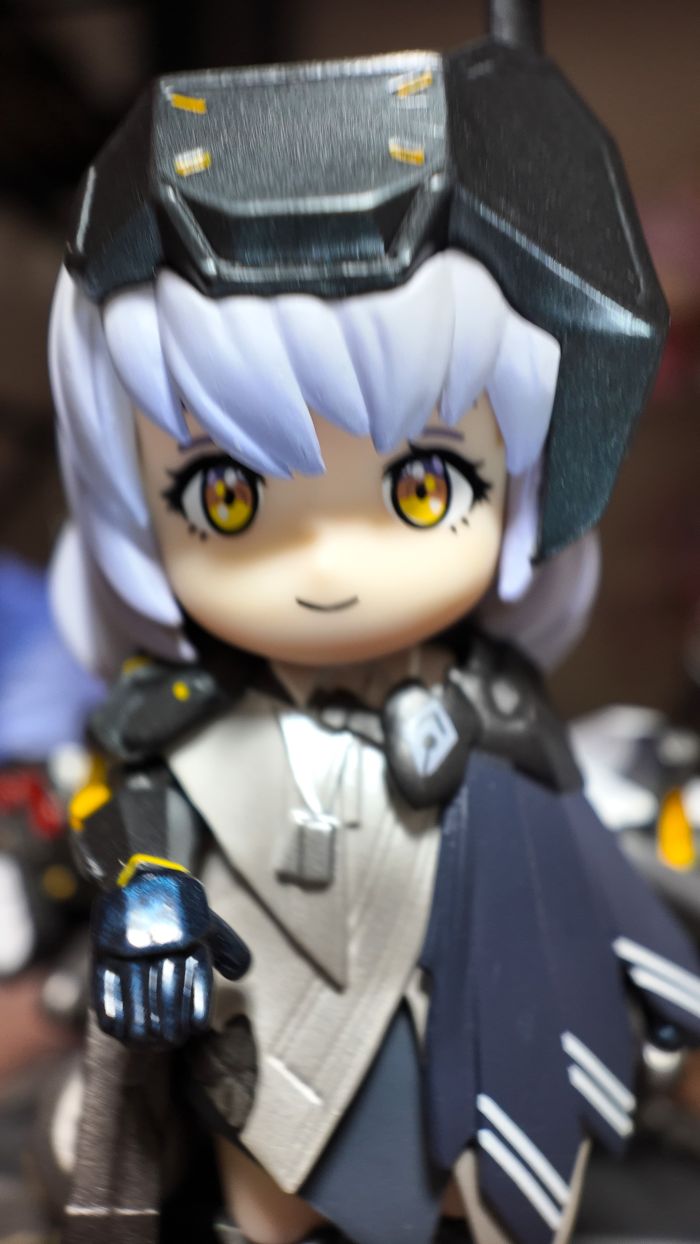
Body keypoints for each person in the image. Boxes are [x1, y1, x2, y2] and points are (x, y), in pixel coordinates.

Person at [47, 8, 700, 1244]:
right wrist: (143, 887)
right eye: (226, 496)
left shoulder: (489, 710)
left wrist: (653, 967)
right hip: (263, 1054)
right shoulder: (181, 717)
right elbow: (130, 804)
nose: (332, 566)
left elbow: (573, 855)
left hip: (460, 1047)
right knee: (263, 1200)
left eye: (421, 487)